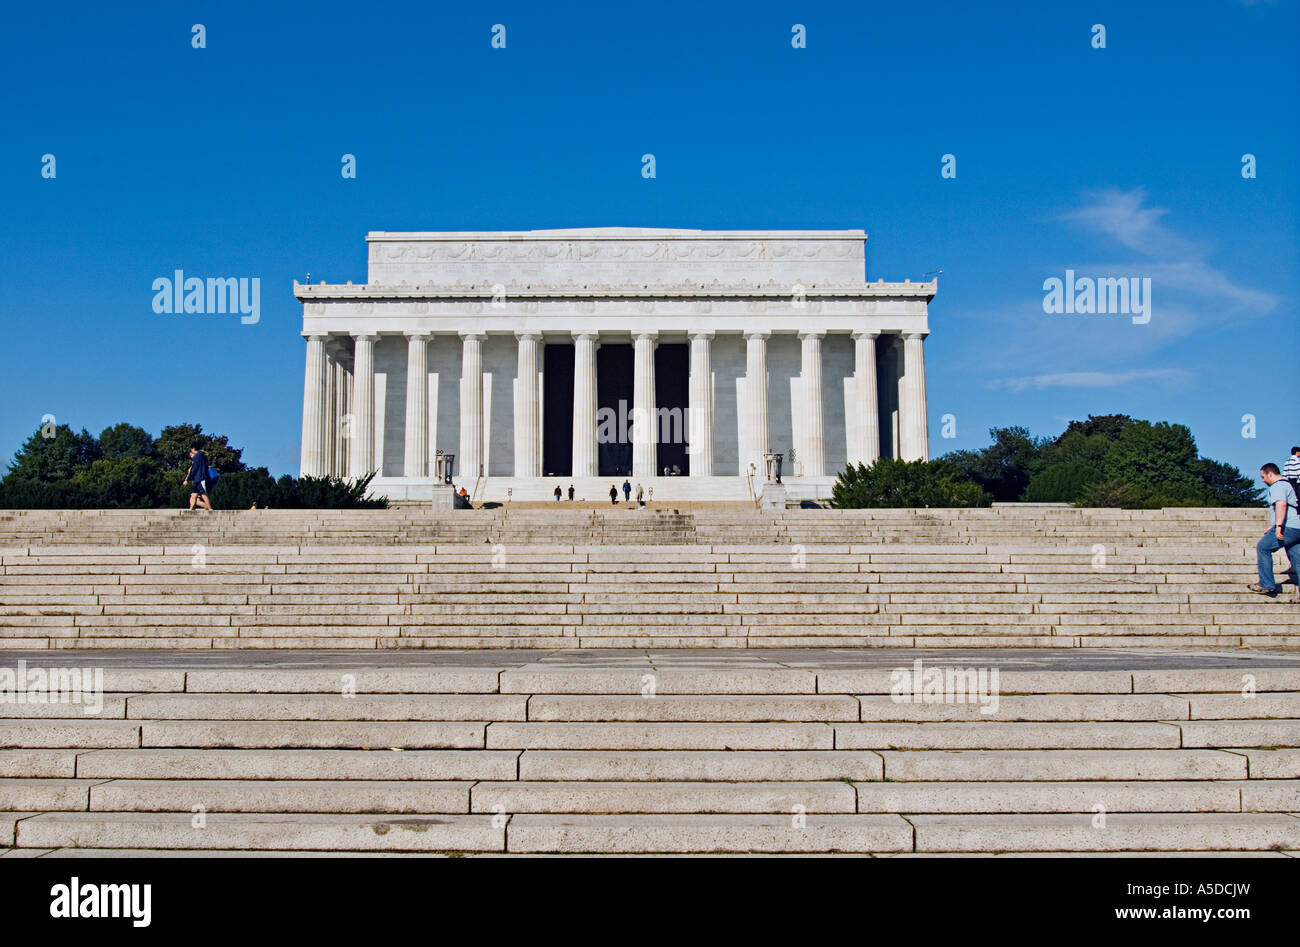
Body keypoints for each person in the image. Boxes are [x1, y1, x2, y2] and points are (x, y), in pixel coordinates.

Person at [1249, 463, 1300, 598]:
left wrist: (1278, 526)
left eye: (1263, 477)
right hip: (1297, 527)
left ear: (1270, 474)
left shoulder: (1278, 485)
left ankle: (1266, 584)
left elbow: (1281, 504)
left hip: (1287, 527)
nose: (1263, 480)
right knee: (1297, 558)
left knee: (1263, 547)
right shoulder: (1288, 484)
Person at [183, 445, 212, 512]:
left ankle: (209, 508)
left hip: (199, 478)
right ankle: (191, 509)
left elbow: (193, 469)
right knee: (193, 495)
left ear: (193, 449)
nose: (190, 456)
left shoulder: (198, 457)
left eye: (191, 454)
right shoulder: (202, 456)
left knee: (203, 494)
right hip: (197, 479)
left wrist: (187, 480)